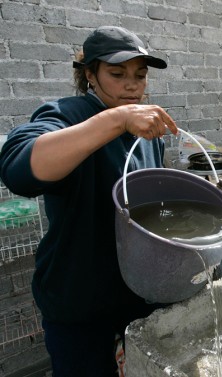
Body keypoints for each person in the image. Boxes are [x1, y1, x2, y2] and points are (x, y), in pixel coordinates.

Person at [0, 26, 179, 376]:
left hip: (135, 290)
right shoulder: (67, 115)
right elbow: (19, 169)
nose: (132, 86)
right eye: (117, 74)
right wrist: (117, 119)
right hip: (78, 295)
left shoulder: (146, 131)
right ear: (89, 75)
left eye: (139, 76)